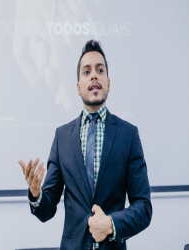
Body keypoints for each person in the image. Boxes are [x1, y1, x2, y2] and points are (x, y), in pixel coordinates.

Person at [18, 40, 152, 250]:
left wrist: (111, 224)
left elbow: (144, 207)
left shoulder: (129, 134)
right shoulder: (62, 137)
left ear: (108, 83)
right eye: (86, 71)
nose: (94, 75)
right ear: (79, 87)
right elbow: (47, 210)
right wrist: (36, 194)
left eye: (100, 70)